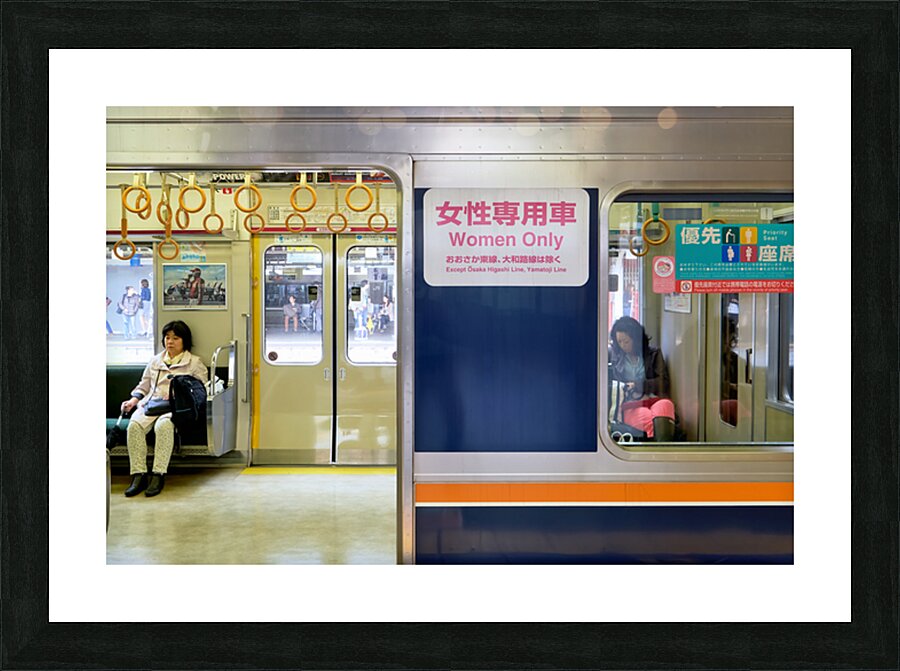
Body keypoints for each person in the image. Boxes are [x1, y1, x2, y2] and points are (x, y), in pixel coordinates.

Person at [120, 320, 208, 497]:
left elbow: (202, 390)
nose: (170, 342)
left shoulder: (194, 363)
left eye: (175, 338)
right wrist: (133, 400)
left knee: (164, 427)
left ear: (184, 341)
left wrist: (179, 395)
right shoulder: (155, 361)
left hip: (174, 409)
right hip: (150, 404)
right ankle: (138, 474)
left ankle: (158, 474)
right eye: (167, 338)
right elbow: (143, 386)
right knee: (134, 427)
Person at [608, 316, 676, 441]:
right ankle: (658, 450)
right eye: (619, 342)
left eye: (626, 341)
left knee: (666, 405)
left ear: (636, 339)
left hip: (654, 398)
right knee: (650, 422)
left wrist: (639, 385)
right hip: (630, 404)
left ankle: (662, 448)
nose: (623, 345)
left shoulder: (654, 354)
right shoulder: (615, 358)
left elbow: (663, 383)